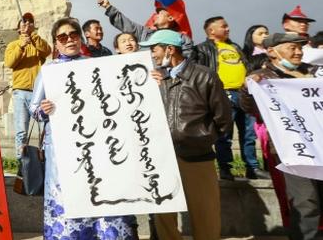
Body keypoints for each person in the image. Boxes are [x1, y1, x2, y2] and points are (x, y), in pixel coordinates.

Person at [30, 18, 137, 240]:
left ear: (80, 38)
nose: (68, 40)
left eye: (73, 35)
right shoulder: (49, 69)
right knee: (69, 195)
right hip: (62, 149)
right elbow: (33, 108)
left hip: (99, 146)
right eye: (62, 37)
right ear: (56, 43)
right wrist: (44, 109)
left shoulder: (97, 65)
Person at [134, 30, 231, 240]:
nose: (152, 55)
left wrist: (201, 139)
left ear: (170, 50)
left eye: (154, 49)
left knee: (205, 215)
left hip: (197, 158)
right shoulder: (158, 79)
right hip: (163, 159)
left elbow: (223, 118)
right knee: (164, 217)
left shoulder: (205, 76)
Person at [240, 33, 322, 240]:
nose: (298, 51)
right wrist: (247, 89)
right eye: (292, 47)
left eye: (300, 47)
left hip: (320, 144)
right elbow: (250, 108)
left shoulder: (315, 73)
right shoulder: (263, 78)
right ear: (272, 52)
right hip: (294, 150)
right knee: (305, 202)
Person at [194, 16, 268, 180]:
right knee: (224, 135)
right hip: (222, 94)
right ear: (211, 30)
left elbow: (247, 66)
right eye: (223, 26)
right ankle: (225, 169)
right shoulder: (202, 49)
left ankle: (252, 167)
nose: (228, 29)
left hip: (243, 93)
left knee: (249, 134)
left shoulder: (234, 47)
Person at [3, 12, 51, 159]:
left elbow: (47, 51)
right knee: (21, 131)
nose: (27, 24)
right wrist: (21, 46)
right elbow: (10, 63)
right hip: (21, 92)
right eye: (24, 22)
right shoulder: (13, 45)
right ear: (18, 28)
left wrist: (34, 37)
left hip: (38, 92)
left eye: (30, 22)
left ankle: (46, 158)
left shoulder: (38, 43)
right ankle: (22, 162)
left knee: (45, 128)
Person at [97, 0, 194, 57]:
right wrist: (108, 7)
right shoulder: (144, 33)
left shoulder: (182, 39)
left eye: (160, 14)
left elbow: (186, 62)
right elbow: (125, 24)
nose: (155, 16)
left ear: (170, 18)